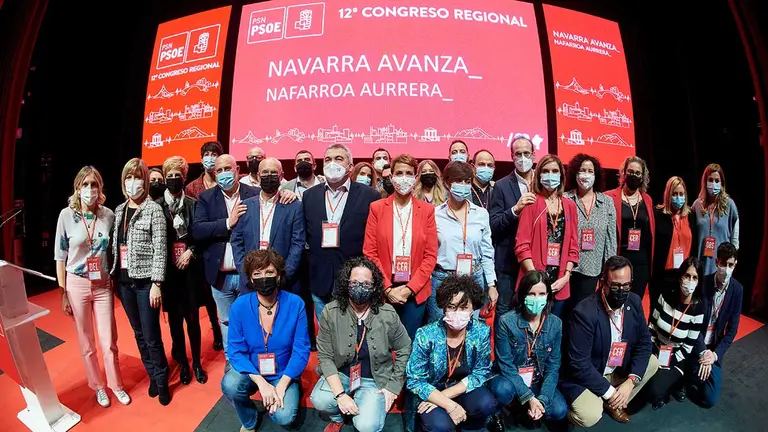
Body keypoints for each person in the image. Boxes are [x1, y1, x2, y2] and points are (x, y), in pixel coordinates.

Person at [55, 166, 130, 408]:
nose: (90, 189)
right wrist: (63, 293)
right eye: (85, 184)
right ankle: (98, 387)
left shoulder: (108, 215)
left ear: (100, 188)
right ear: (78, 188)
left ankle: (116, 385)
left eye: (94, 184)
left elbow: (116, 248)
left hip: (102, 284)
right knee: (87, 342)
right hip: (76, 284)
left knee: (109, 340)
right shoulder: (66, 216)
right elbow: (60, 257)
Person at [311, 257, 412, 432]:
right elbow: (325, 356)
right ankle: (338, 417)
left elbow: (404, 348)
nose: (360, 287)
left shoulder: (388, 314)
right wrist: (340, 395)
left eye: (366, 283)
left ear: (375, 287)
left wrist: (393, 387)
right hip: (341, 373)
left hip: (374, 378)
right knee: (320, 399)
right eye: (354, 282)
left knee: (367, 426)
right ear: (346, 284)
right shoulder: (330, 311)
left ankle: (360, 405)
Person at [561, 256, 658, 427]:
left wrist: (631, 382)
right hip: (591, 374)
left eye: (626, 285)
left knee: (652, 362)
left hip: (617, 369)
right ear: (603, 283)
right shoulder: (584, 313)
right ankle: (570, 410)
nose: (621, 291)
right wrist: (610, 392)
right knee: (589, 416)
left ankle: (612, 403)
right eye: (615, 286)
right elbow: (579, 364)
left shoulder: (634, 302)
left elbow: (644, 343)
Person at [221, 249, 310, 431]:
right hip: (252, 370)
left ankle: (291, 384)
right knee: (230, 384)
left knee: (284, 416)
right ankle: (249, 420)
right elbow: (235, 351)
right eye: (257, 274)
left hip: (283, 372)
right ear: (250, 279)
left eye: (269, 272)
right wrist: (262, 384)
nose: (264, 278)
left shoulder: (296, 304)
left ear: (278, 275)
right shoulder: (239, 306)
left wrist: (282, 385)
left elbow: (301, 350)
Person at [111, 158, 171, 405]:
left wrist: (157, 283)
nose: (132, 182)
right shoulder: (119, 210)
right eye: (129, 177)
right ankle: (153, 376)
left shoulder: (153, 209)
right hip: (124, 282)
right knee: (138, 333)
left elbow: (161, 248)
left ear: (145, 181)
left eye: (137, 177)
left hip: (147, 283)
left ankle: (162, 380)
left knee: (151, 335)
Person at [406, 275, 498, 432]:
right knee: (440, 426)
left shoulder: (481, 331)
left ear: (473, 309)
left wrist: (446, 395)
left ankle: (468, 426)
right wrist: (448, 404)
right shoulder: (426, 335)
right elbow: (415, 380)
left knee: (486, 404)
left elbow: (481, 372)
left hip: (463, 387)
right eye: (452, 307)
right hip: (433, 390)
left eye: (464, 307)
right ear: (443, 308)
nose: (457, 313)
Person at [191, 154, 259, 361]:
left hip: (249, 274)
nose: (223, 174)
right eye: (218, 170)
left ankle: (253, 360)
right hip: (220, 276)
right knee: (227, 321)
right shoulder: (206, 198)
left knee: (252, 320)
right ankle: (233, 362)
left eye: (227, 169)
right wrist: (228, 222)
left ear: (237, 170)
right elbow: (198, 229)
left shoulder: (254, 193)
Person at [363, 154, 438, 340]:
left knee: (408, 342)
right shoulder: (376, 208)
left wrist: (409, 289)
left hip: (415, 288)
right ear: (391, 177)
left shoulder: (427, 210)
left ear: (415, 177)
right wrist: (388, 289)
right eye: (399, 173)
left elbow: (430, 256)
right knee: (382, 343)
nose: (404, 178)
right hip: (384, 287)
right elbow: (370, 252)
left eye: (408, 173)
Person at [303, 144, 380, 319]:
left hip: (354, 281)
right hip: (320, 279)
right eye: (328, 159)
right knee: (326, 332)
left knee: (353, 332)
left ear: (350, 166)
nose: (332, 163)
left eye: (338, 159)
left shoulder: (369, 196)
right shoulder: (309, 196)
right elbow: (306, 236)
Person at [488, 271, 567, 432]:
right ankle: (499, 412)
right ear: (523, 295)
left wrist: (542, 399)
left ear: (548, 296)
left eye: (541, 294)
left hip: (536, 380)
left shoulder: (556, 324)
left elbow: (553, 367)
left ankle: (529, 408)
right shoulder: (506, 321)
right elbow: (505, 365)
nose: (537, 298)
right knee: (502, 390)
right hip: (510, 378)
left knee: (559, 410)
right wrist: (529, 397)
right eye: (531, 294)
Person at [156, 156, 207, 385]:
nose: (174, 179)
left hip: (190, 272)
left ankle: (196, 363)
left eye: (178, 175)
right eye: (170, 176)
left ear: (184, 177)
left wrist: (192, 251)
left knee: (193, 320)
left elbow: (201, 236)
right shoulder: (158, 207)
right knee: (175, 322)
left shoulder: (194, 204)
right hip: (169, 274)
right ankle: (183, 364)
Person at [427, 161, 497, 323]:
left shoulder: (481, 214)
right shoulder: (434, 214)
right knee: (439, 326)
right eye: (458, 181)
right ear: (447, 183)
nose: (463, 186)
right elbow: (428, 251)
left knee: (471, 327)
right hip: (443, 278)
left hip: (474, 276)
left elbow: (487, 252)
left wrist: (491, 284)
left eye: (467, 181)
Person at [515, 154, 579, 318]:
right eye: (545, 171)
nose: (550, 175)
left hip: (560, 284)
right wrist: (537, 280)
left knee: (553, 328)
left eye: (555, 171)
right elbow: (522, 246)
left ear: (561, 175)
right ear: (539, 175)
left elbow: (573, 247)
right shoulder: (531, 203)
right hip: (534, 285)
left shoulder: (570, 206)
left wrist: (566, 276)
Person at [231, 157, 305, 293]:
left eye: (274, 173)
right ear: (258, 176)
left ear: (281, 176)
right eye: (265, 173)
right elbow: (236, 243)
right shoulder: (244, 206)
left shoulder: (294, 206)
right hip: (251, 282)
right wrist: (246, 275)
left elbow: (297, 244)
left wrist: (283, 277)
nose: (269, 176)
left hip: (283, 283)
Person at [645, 257, 706, 410]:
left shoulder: (698, 309)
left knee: (653, 392)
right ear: (680, 277)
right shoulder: (665, 296)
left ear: (698, 281)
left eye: (694, 277)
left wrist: (668, 362)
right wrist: (652, 351)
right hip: (656, 348)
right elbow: (652, 326)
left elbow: (688, 347)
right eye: (687, 276)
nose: (690, 281)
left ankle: (676, 383)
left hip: (677, 357)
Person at [489, 134, 537, 323]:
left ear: (534, 155)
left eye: (526, 153)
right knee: (505, 312)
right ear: (511, 156)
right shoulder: (501, 186)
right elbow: (493, 225)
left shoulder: (544, 182)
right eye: (518, 154)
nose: (523, 158)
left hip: (535, 260)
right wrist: (515, 210)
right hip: (508, 263)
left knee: (533, 310)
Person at [183, 141, 225, 350]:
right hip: (202, 247)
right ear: (201, 159)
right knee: (207, 294)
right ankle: (215, 329)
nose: (210, 157)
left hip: (223, 244)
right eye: (206, 154)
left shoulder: (227, 181)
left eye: (214, 154)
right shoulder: (192, 187)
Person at [688, 242, 742, 408]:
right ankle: (693, 370)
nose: (727, 269)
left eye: (731, 265)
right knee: (689, 375)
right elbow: (692, 322)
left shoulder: (737, 290)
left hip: (715, 349)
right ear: (717, 262)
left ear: (735, 264)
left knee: (710, 399)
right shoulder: (703, 283)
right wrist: (703, 351)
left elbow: (732, 330)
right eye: (723, 264)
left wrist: (715, 355)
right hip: (697, 343)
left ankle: (699, 370)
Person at [563, 154, 617, 308]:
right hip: (566, 268)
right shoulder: (565, 199)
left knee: (582, 310)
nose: (586, 175)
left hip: (593, 269)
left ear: (596, 175)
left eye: (590, 171)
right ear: (575, 173)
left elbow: (611, 239)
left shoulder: (607, 202)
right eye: (582, 170)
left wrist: (609, 271)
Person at [605, 156, 655, 299]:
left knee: (635, 300)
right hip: (619, 257)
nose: (634, 175)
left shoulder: (647, 199)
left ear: (643, 176)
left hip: (641, 261)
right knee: (617, 299)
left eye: (638, 173)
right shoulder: (609, 197)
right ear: (623, 173)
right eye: (630, 172)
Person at [651, 176, 699, 304]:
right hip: (663, 275)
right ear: (668, 195)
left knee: (679, 310)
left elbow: (694, 245)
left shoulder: (690, 215)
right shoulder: (657, 214)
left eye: (681, 194)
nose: (678, 198)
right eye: (675, 194)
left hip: (684, 275)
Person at [692, 164, 739, 275]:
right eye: (710, 180)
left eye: (717, 180)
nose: (713, 184)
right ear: (705, 181)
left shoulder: (730, 205)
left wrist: (729, 267)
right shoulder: (697, 205)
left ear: (722, 183)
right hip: (700, 267)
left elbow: (735, 241)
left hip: (722, 267)